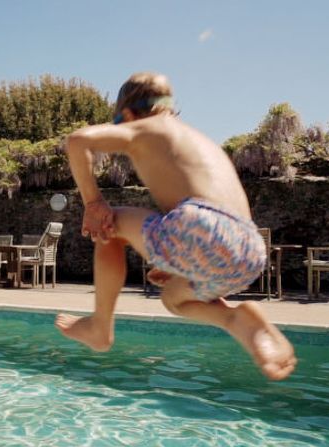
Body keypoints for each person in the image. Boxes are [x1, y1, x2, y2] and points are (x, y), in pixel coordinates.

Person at [55, 72, 296, 381]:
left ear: (128, 114)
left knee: (107, 226)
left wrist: (93, 203)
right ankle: (236, 320)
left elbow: (78, 141)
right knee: (174, 299)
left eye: (118, 124)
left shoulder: (146, 127)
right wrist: (181, 262)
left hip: (200, 228)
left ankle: (100, 326)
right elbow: (216, 228)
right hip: (248, 252)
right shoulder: (202, 141)